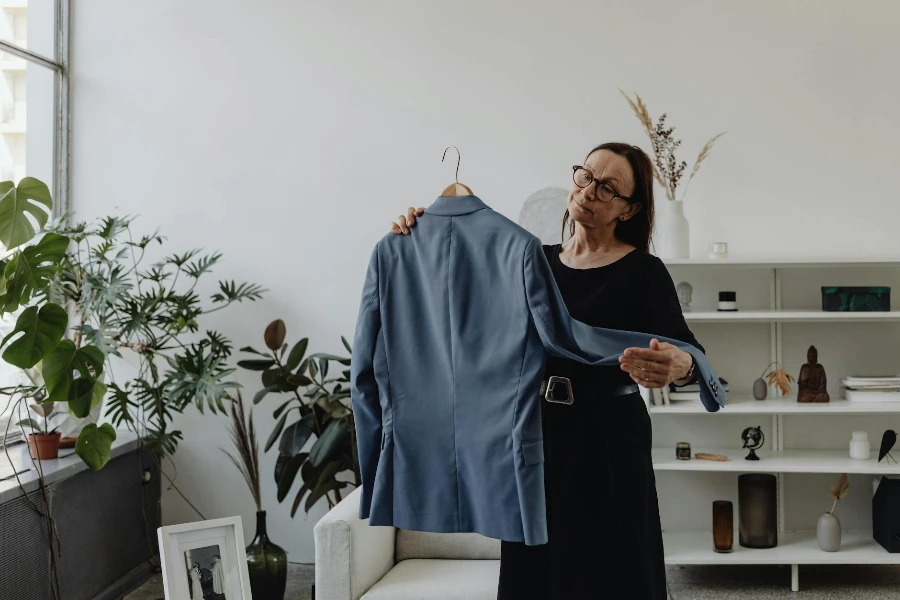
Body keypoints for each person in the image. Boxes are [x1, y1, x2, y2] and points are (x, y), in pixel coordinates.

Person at [388, 142, 706, 599]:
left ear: (629, 208)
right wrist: (417, 236)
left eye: (608, 187)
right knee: (535, 575)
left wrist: (680, 366)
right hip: (534, 436)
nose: (590, 190)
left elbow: (688, 353)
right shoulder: (530, 261)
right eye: (586, 175)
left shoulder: (644, 272)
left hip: (609, 442)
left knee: (613, 573)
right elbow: (458, 306)